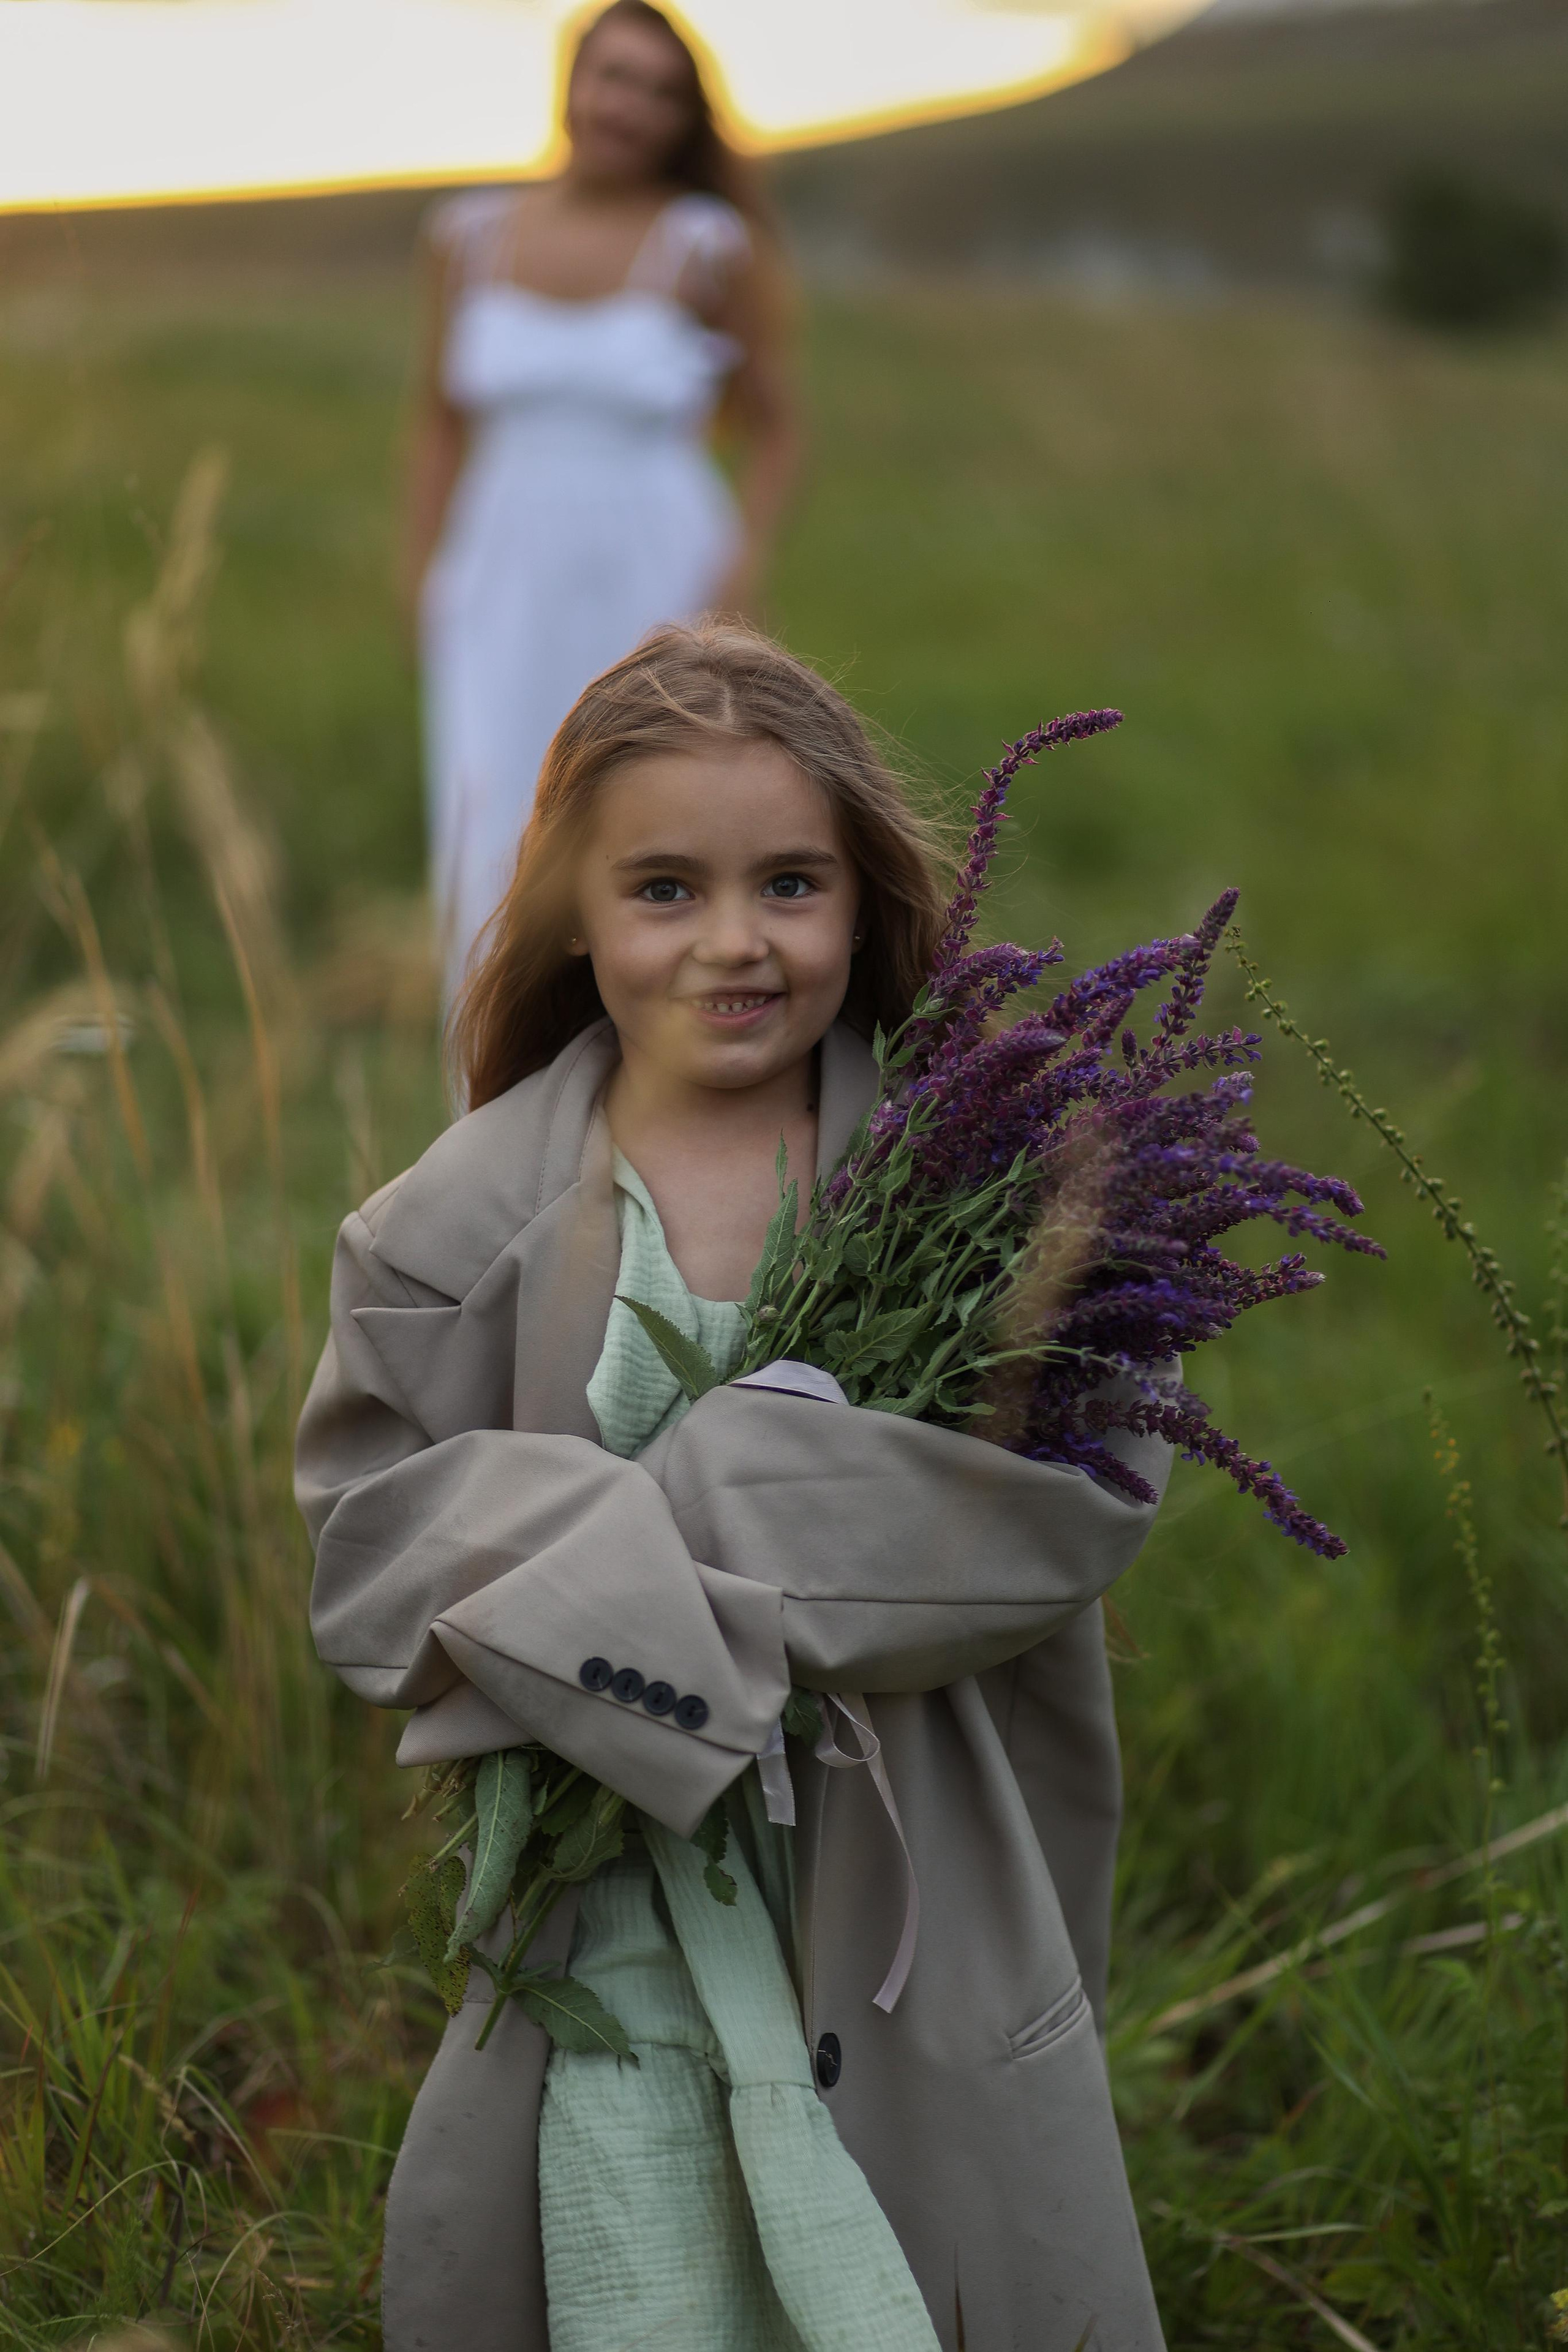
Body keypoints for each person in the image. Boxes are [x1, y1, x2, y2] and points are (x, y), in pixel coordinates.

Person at [296, 622, 1173, 2351]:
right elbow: (374, 1544)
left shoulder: (977, 1198)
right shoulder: (446, 1231)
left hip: (903, 1885)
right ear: (573, 914)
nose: (736, 942)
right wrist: (725, 1550)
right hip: (611, 1899)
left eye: (789, 883)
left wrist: (620, 1561)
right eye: (665, 891)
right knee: (642, 2266)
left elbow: (1072, 1502)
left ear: (862, 898)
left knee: (907, 2280)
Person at [405, 0, 800, 1000]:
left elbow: (776, 424)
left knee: (646, 821)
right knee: (491, 822)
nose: (631, 107)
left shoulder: (704, 245)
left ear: (684, 120)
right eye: (616, 76)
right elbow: (438, 417)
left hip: (655, 566)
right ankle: (496, 1108)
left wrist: (741, 564)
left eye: (663, 94)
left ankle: (656, 1097)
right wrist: (424, 574)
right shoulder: (467, 236)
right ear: (573, 80)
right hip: (499, 569)